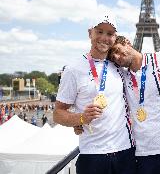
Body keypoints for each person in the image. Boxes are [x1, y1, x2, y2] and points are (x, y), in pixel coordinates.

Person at [53, 15, 136, 174]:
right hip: (92, 155)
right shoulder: (73, 69)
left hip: (126, 152)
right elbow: (57, 113)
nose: (104, 37)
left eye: (110, 34)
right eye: (100, 31)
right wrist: (80, 118)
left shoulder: (120, 65)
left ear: (115, 37)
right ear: (90, 33)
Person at [109, 36, 160, 174]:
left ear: (127, 43)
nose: (117, 57)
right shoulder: (122, 76)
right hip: (143, 155)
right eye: (113, 57)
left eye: (117, 50)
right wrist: (80, 119)